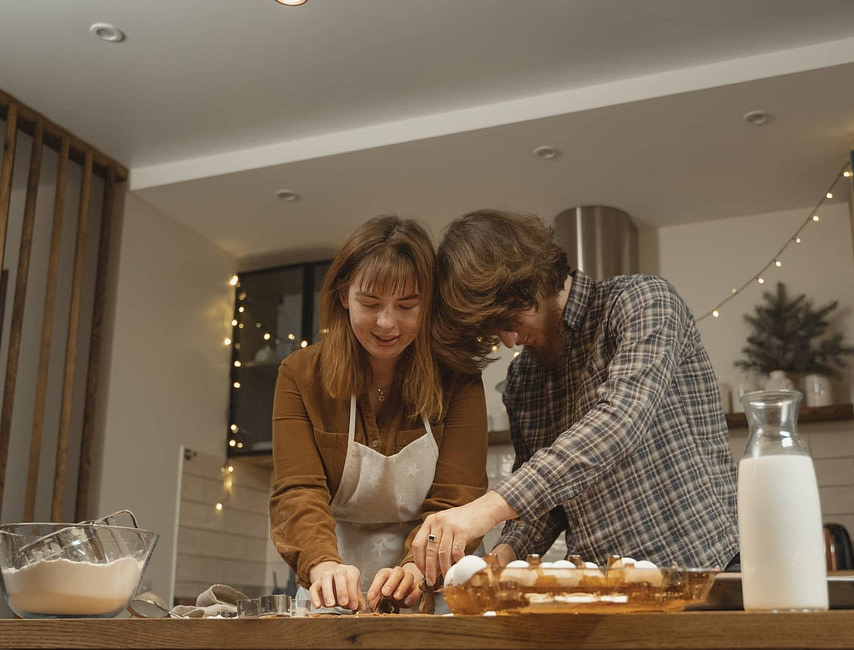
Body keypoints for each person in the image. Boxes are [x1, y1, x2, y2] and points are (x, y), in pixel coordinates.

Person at [413, 209, 739, 586]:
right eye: (494, 331)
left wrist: (485, 508)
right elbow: (547, 503)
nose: (508, 341)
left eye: (510, 321)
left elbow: (618, 423)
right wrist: (504, 554)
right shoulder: (524, 379)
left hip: (703, 571)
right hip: (602, 588)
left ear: (531, 280)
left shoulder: (643, 302)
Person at [269, 215, 488, 612]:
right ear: (342, 295)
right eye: (370, 303)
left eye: (407, 306)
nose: (387, 323)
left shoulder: (458, 379)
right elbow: (298, 490)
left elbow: (457, 496)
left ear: (429, 304)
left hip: (436, 578)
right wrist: (323, 565)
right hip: (333, 580)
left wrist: (417, 568)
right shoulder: (300, 375)